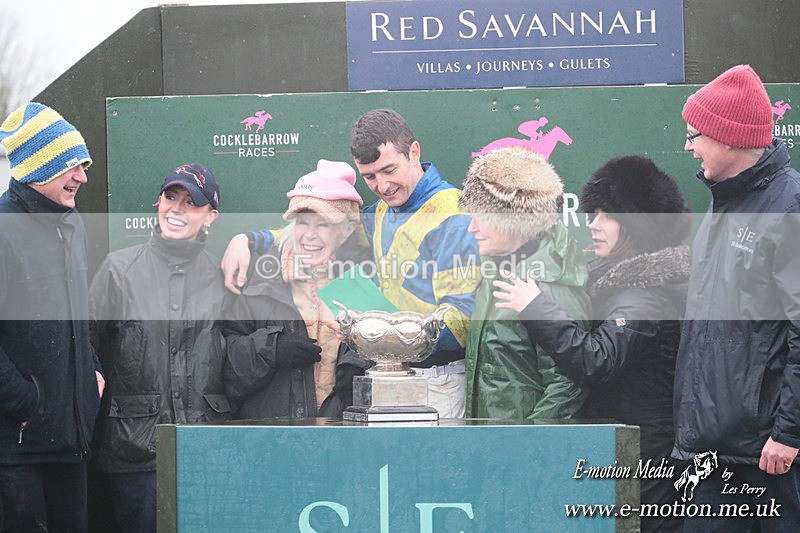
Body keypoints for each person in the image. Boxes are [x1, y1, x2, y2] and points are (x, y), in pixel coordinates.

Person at [221, 109, 480, 418]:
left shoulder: (454, 215)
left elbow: (461, 321)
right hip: (388, 375)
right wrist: (249, 240)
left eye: (389, 170)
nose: (382, 186)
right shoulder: (383, 211)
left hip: (437, 380)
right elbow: (318, 230)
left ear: (414, 152)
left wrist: (373, 334)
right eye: (370, 176)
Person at [492, 155, 691, 532]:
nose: (593, 225)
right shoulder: (610, 279)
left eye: (608, 215)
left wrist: (535, 306)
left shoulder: (646, 295)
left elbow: (596, 360)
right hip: (619, 450)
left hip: (644, 463)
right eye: (593, 213)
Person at [672, 64, 800, 531]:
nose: (687, 146)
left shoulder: (789, 207)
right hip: (711, 451)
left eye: (694, 135)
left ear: (727, 137)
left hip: (766, 458)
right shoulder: (723, 202)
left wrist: (789, 433)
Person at [88, 163, 231, 533]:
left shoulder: (223, 276)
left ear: (211, 216)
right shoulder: (118, 270)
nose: (177, 209)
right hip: (134, 454)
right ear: (159, 201)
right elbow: (87, 351)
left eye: (192, 202)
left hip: (207, 452)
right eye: (171, 196)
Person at [0, 103, 103, 531]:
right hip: (17, 451)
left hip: (70, 441)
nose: (81, 176)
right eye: (71, 166)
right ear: (39, 166)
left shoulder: (72, 224)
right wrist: (27, 403)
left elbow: (78, 318)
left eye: (83, 165)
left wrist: (92, 372)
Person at [221, 160, 373, 419]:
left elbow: (387, 372)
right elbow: (226, 374)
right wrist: (272, 349)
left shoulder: (362, 288)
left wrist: (360, 365)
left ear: (347, 229)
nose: (309, 235)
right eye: (303, 222)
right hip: (273, 442)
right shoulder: (260, 285)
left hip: (342, 440)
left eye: (323, 224)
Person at [458, 146, 590, 420]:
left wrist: (530, 443)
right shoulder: (494, 271)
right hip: (490, 444)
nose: (472, 228)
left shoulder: (551, 282)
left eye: (481, 217)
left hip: (523, 450)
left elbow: (568, 384)